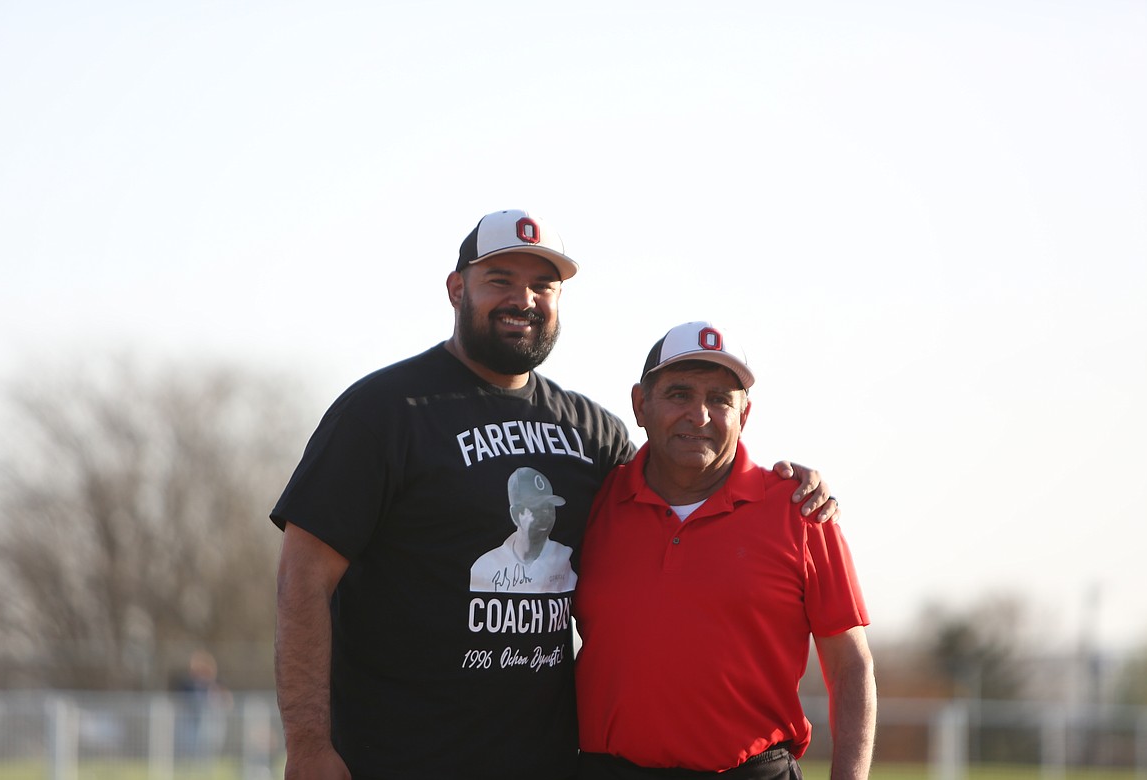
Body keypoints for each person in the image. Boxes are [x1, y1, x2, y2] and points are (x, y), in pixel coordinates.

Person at [270, 210, 838, 780]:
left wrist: (789, 483)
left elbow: (684, 495)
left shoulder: (593, 434)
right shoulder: (382, 412)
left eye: (543, 285)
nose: (524, 298)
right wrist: (309, 745)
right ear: (455, 288)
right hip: (395, 759)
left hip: (549, 765)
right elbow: (303, 578)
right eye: (500, 280)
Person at [574, 321, 876, 780]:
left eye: (720, 399)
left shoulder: (799, 510)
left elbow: (850, 665)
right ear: (640, 404)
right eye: (679, 394)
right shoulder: (594, 500)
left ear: (744, 415)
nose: (699, 415)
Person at [470, 466, 579, 593]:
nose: (546, 514)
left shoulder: (564, 556)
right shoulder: (485, 566)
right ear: (516, 514)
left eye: (550, 507)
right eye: (537, 508)